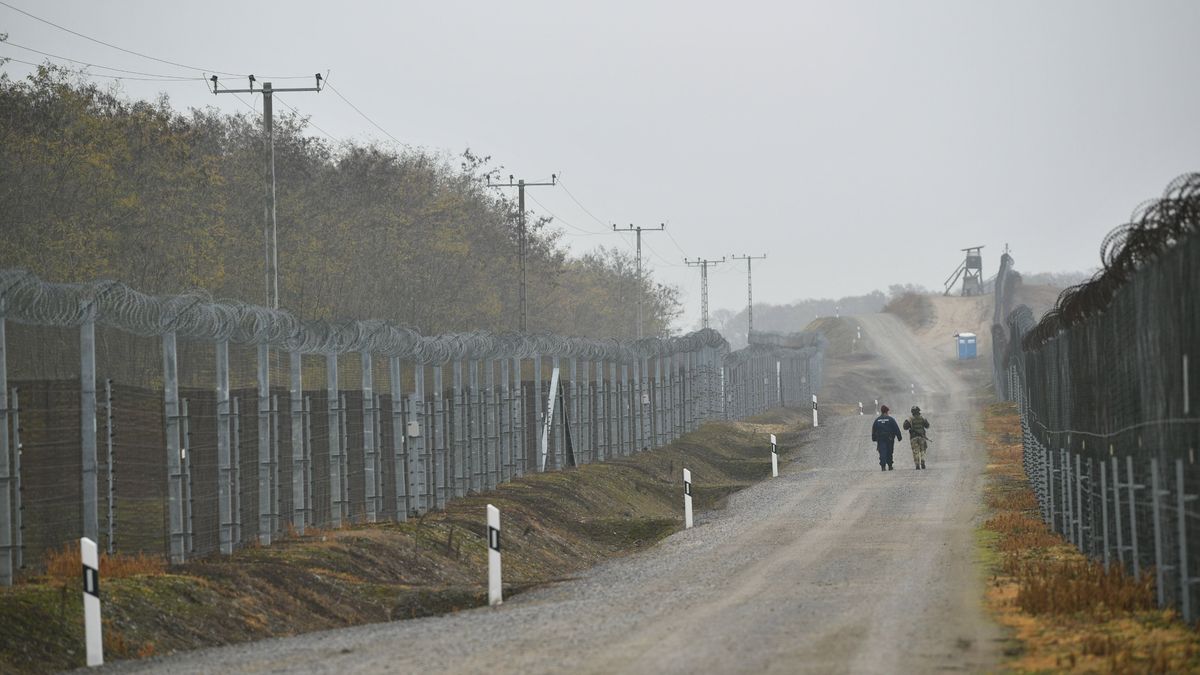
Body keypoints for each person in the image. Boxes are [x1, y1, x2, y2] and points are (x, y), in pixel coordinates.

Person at [871, 405, 902, 471]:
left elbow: (874, 429)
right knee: (889, 451)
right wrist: (899, 437)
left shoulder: (877, 420)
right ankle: (890, 466)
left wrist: (874, 438)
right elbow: (896, 428)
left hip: (881, 439)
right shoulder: (891, 419)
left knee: (882, 451)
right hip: (889, 439)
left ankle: (883, 466)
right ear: (887, 411)